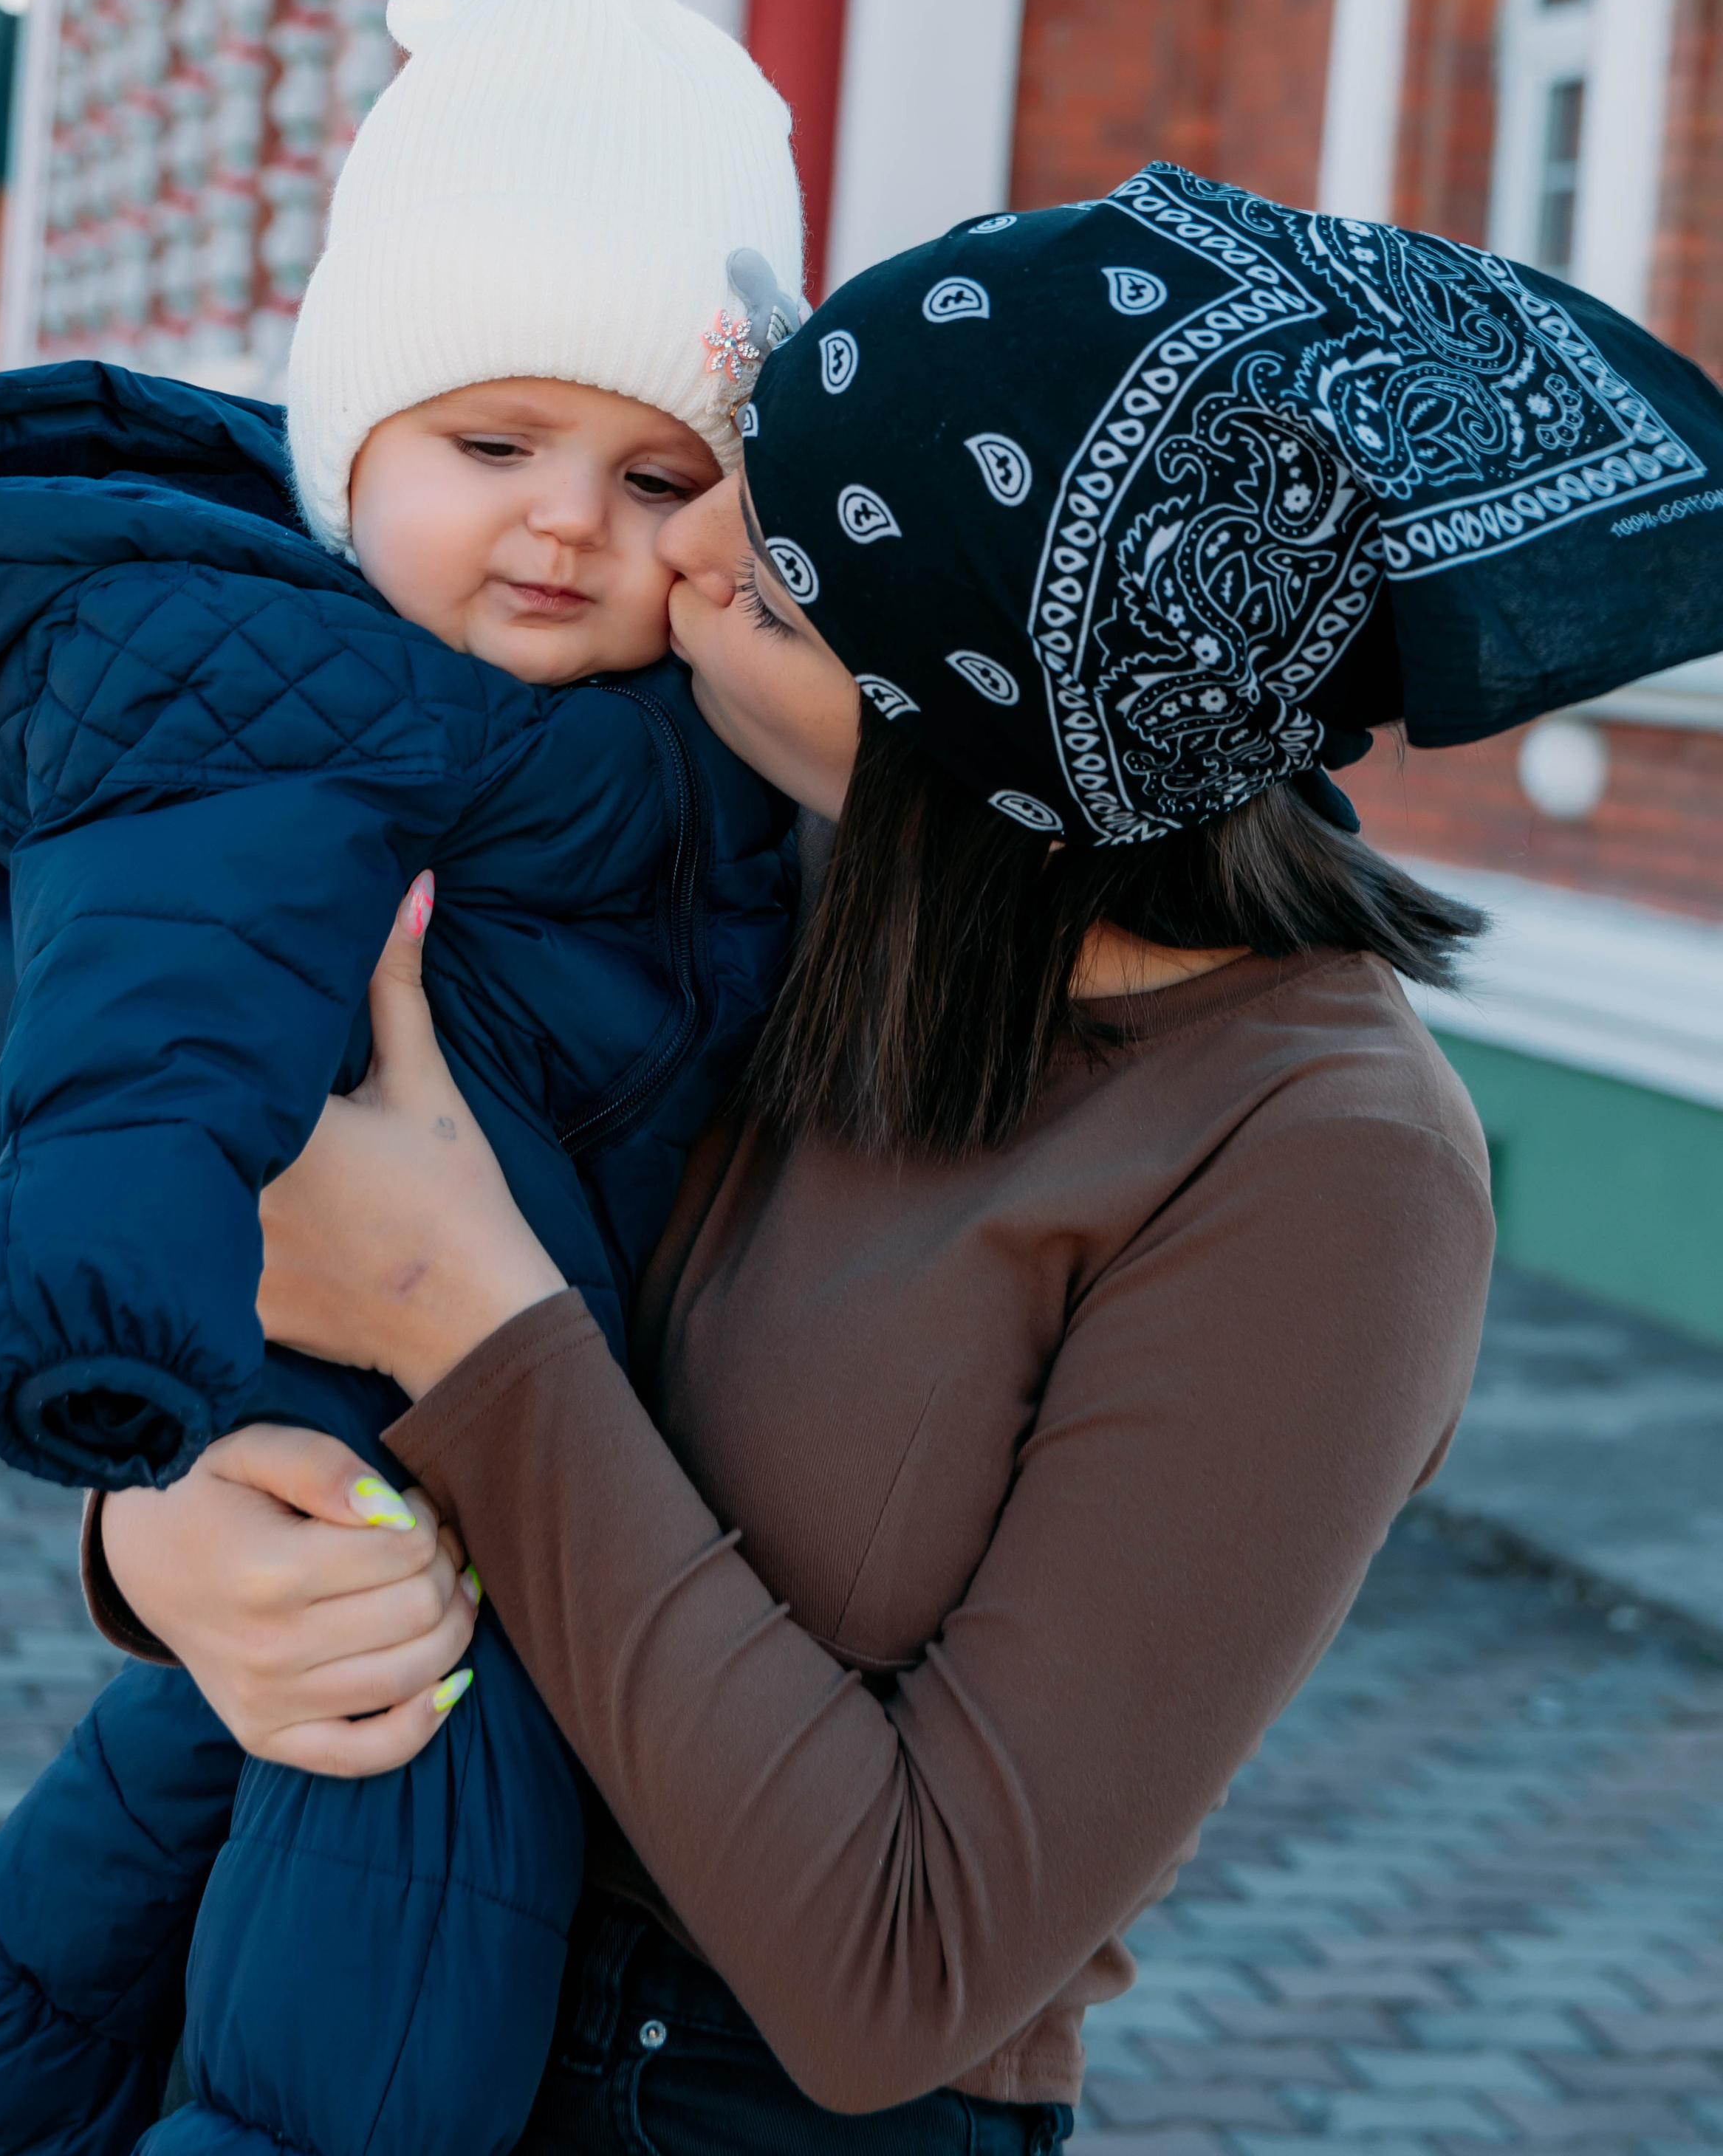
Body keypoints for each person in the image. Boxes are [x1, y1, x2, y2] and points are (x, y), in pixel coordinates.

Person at [86, 168, 1723, 2155]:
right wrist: (157, 1543)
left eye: (773, 589)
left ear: (972, 761)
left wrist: (476, 1331)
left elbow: (906, 1967)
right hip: (369, 1984)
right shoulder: (760, 883)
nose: (670, 547)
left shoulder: (1327, 1173)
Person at [0, 0, 807, 2156]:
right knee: (410, 1850)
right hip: (360, 1407)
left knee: (280, 1759)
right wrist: (107, 1330)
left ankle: (21, 2007)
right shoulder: (274, 705)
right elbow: (144, 1031)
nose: (569, 520)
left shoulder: (682, 741)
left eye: (659, 472)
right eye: (493, 444)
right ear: (347, 437)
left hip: (516, 1413)